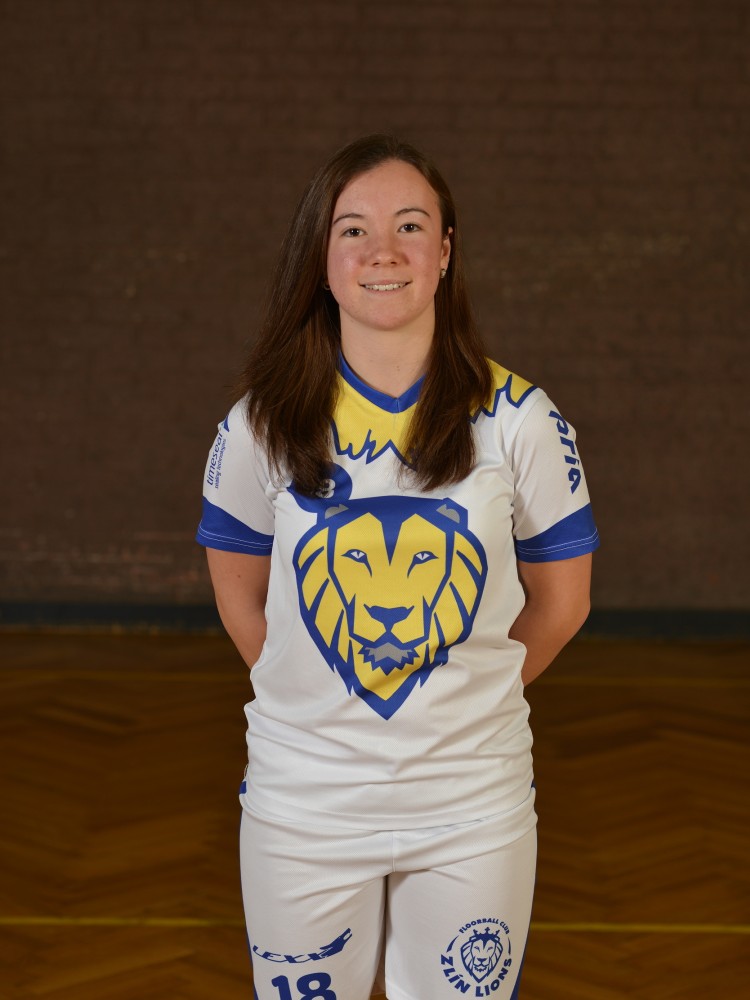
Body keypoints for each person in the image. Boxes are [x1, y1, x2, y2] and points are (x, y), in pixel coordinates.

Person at [196, 133, 599, 1000]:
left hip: (471, 806)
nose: (384, 251)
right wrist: (322, 705)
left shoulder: (520, 418)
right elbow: (241, 600)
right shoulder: (259, 424)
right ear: (322, 258)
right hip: (304, 806)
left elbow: (563, 605)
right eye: (354, 230)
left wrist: (460, 706)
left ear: (445, 252)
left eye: (410, 226)